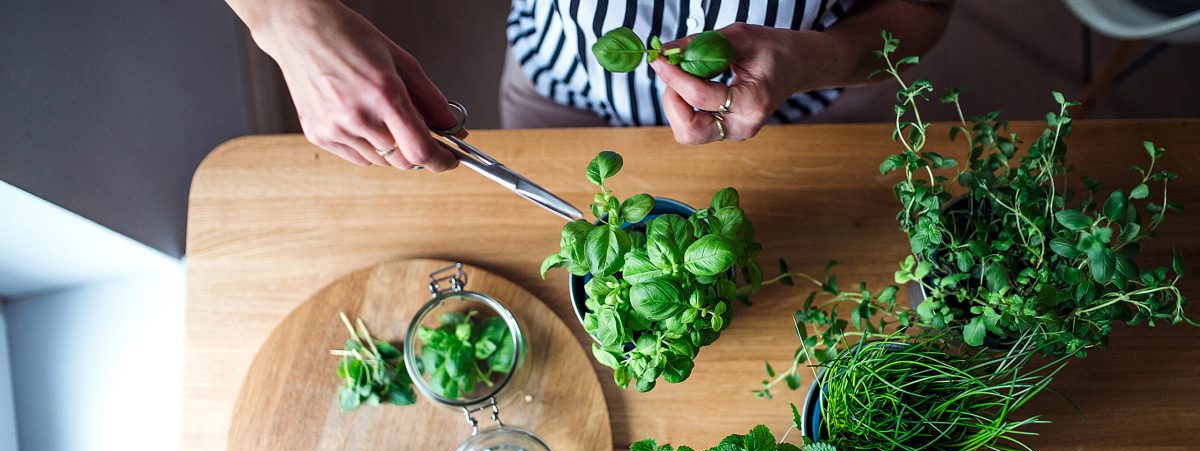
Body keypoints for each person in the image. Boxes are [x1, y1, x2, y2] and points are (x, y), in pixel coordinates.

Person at [224, 0, 953, 171]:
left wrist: (818, 60)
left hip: (816, 98)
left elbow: (921, 11)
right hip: (561, 78)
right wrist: (290, 23)